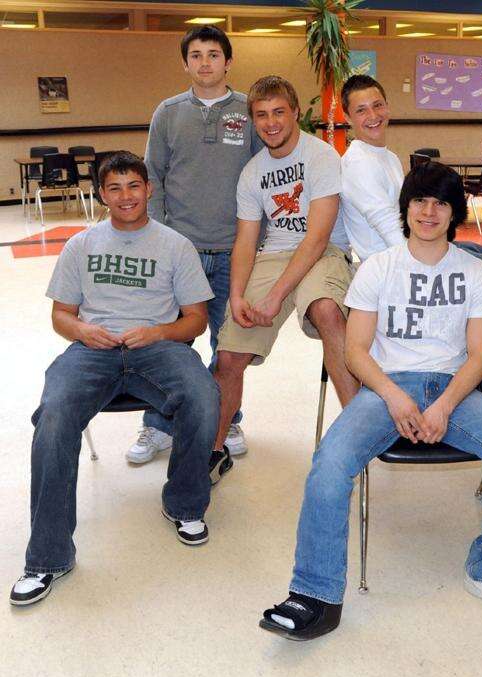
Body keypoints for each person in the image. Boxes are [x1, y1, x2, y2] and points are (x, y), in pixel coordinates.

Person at [259, 162, 482, 641]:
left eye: (441, 203)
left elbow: (479, 357)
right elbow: (355, 350)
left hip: (453, 389)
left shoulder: (475, 273)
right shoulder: (377, 268)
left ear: (454, 213)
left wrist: (444, 406)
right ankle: (316, 595)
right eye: (420, 201)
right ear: (405, 208)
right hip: (386, 387)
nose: (429, 212)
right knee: (330, 462)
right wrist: (392, 397)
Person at [10, 152, 221, 607]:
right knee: (53, 416)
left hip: (158, 348)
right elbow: (61, 315)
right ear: (102, 195)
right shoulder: (80, 245)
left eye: (134, 186)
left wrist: (158, 332)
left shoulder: (175, 245)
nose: (126, 196)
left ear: (149, 189)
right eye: (115, 188)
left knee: (204, 396)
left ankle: (184, 505)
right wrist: (83, 330)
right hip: (94, 350)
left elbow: (196, 320)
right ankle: (48, 557)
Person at [210, 75, 359, 470]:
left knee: (327, 310)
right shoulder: (252, 172)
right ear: (253, 120)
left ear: (295, 113)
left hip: (323, 252)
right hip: (274, 253)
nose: (271, 122)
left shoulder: (321, 156)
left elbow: (317, 236)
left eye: (279, 112)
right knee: (228, 357)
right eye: (262, 115)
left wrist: (276, 296)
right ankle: (213, 449)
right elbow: (246, 241)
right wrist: (237, 296)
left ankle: (359, 437)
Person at [128, 25, 261, 465]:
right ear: (186, 63)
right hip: (179, 253)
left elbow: (263, 176)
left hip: (233, 252)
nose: (205, 62)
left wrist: (258, 240)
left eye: (214, 54)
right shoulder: (168, 112)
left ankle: (227, 417)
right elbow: (153, 176)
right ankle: (158, 424)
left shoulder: (248, 111)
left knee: (228, 347)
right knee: (168, 347)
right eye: (197, 55)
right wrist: (158, 237)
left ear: (228, 61)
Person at [339, 74, 482, 280]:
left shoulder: (388, 157)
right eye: (361, 110)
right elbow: (389, 227)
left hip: (418, 246)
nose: (373, 115)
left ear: (387, 107)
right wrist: (435, 263)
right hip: (397, 265)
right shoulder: (358, 163)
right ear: (348, 118)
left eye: (377, 105)